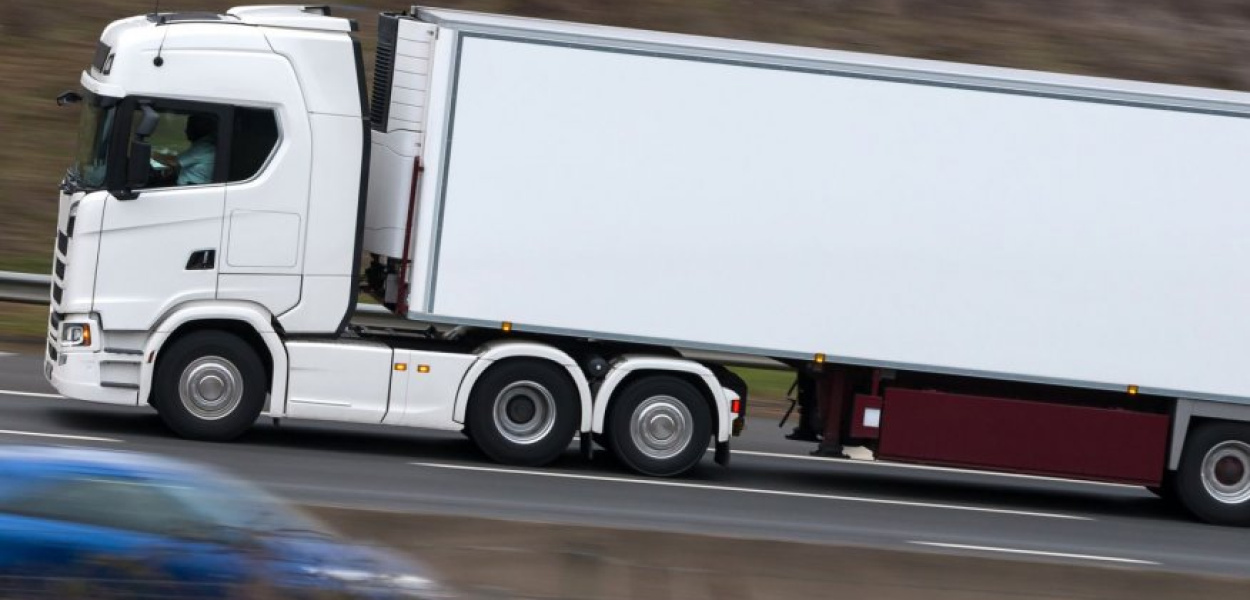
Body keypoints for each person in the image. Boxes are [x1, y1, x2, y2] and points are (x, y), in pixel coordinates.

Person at [154, 113, 216, 186]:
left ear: (200, 128)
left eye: (190, 126)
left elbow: (172, 161)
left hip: (190, 190)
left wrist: (151, 154)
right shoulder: (207, 145)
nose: (186, 131)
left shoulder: (203, 147)